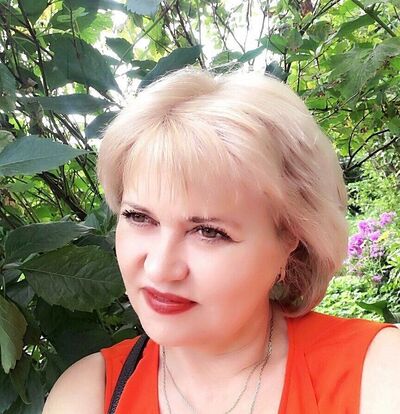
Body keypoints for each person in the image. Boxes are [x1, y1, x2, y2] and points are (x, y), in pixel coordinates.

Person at [42, 67, 400, 414]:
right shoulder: (91, 393)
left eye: (209, 232)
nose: (160, 268)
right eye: (139, 217)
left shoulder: (377, 371)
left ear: (291, 239)